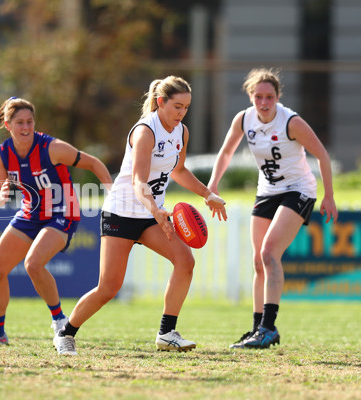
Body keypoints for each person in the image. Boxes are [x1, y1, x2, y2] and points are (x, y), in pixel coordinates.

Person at [54, 76, 227, 356]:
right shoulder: (145, 131)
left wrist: (208, 195)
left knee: (185, 261)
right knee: (108, 287)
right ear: (161, 102)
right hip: (122, 212)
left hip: (150, 216)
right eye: (177, 106)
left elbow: (179, 171)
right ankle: (66, 332)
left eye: (186, 108)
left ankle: (166, 333)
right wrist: (156, 210)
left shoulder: (181, 132)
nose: (182, 113)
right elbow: (138, 181)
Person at [0, 97, 113, 346]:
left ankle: (59, 321)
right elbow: (0, 191)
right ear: (8, 125)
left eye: (30, 122)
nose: (26, 127)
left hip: (61, 211)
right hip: (30, 213)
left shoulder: (52, 148)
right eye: (20, 122)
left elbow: (93, 163)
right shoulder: (3, 154)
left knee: (33, 264)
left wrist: (111, 193)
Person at [207, 68, 338, 349]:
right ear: (251, 96)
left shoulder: (290, 121)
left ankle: (268, 328)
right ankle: (257, 328)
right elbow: (226, 151)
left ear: (278, 97)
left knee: (269, 253)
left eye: (269, 97)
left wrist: (329, 195)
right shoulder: (244, 119)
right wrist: (213, 185)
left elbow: (322, 155)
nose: (264, 102)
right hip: (267, 191)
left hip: (298, 190)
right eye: (258, 96)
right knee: (258, 261)